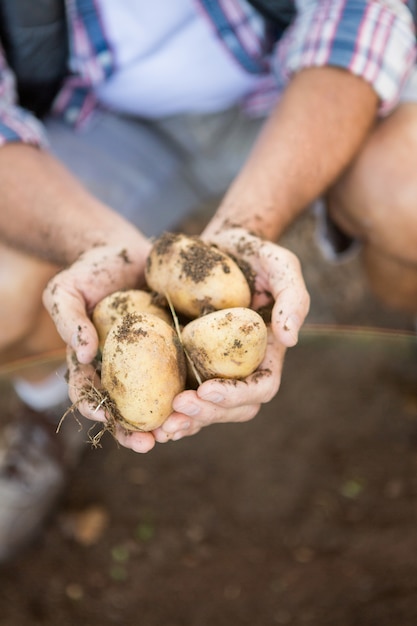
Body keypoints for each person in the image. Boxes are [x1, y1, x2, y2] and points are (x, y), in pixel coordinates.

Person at [0, 0, 415, 561]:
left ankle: (406, 323)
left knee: (406, 196)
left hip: (285, 94)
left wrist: (250, 224)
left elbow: (359, 15)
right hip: (97, 117)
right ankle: (54, 411)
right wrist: (96, 243)